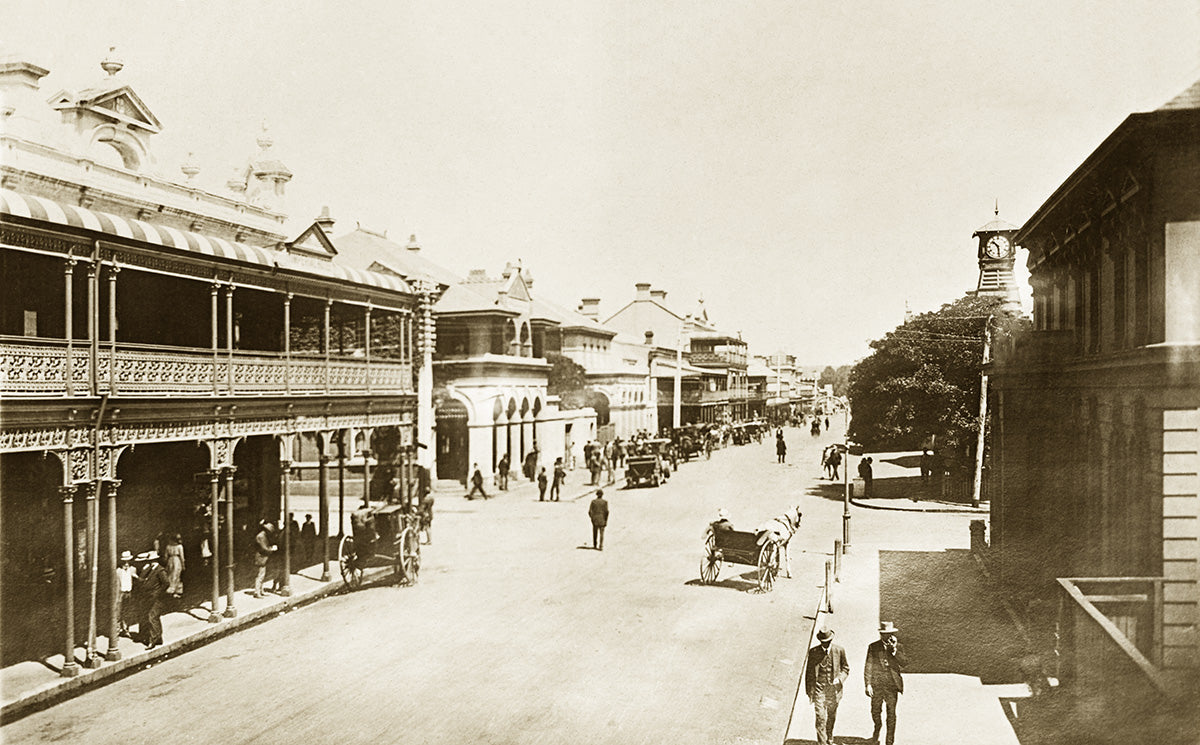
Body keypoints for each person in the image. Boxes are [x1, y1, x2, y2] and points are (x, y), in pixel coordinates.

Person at [865, 621, 908, 745]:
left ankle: (889, 742)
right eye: (885, 634)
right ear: (881, 635)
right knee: (875, 711)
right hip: (877, 685)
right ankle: (877, 726)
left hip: (891, 686)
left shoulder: (898, 647)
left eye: (890, 634)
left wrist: (894, 650)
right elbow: (868, 665)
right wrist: (868, 684)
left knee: (891, 714)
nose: (888, 636)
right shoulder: (873, 647)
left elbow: (904, 663)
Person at [805, 627, 849, 745]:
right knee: (820, 718)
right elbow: (809, 673)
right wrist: (810, 692)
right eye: (823, 642)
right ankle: (822, 743)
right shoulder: (813, 652)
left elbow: (846, 668)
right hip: (819, 690)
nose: (825, 644)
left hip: (833, 691)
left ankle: (829, 736)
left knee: (831, 716)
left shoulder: (839, 650)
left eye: (828, 642)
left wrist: (839, 679)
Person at [137, 551, 169, 649]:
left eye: (152, 561)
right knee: (152, 617)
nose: (151, 562)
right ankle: (158, 638)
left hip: (157, 599)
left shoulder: (160, 570)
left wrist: (157, 593)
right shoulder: (150, 569)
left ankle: (153, 641)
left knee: (152, 617)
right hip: (150, 598)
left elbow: (166, 583)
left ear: (155, 560)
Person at [252, 521, 277, 598]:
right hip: (260, 558)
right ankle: (257, 592)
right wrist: (272, 549)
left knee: (262, 575)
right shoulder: (261, 537)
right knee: (260, 575)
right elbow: (264, 548)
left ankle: (260, 590)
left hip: (263, 558)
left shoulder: (263, 536)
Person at [116, 550, 136, 637]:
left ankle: (126, 629)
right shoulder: (118, 571)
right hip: (120, 593)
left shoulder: (133, 569)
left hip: (129, 593)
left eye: (128, 561)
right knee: (118, 613)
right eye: (124, 561)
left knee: (128, 612)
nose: (126, 563)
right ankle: (116, 631)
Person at [164, 533, 185, 599]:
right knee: (177, 575)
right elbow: (182, 557)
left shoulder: (168, 546)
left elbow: (165, 556)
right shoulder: (179, 546)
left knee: (170, 575)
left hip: (170, 560)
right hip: (177, 560)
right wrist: (183, 565)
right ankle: (176, 591)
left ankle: (170, 590)